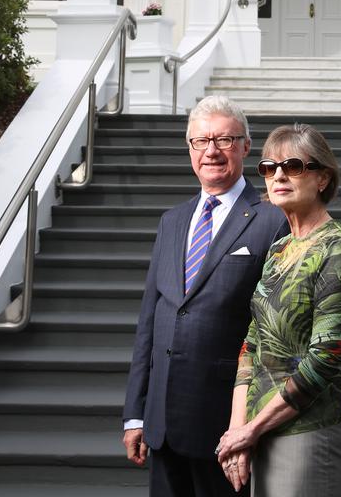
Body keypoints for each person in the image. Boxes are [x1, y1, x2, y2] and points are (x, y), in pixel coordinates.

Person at [122, 95, 288, 497]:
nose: (211, 151)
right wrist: (135, 414)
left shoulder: (273, 219)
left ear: (246, 147)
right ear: (189, 149)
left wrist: (249, 425)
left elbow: (275, 335)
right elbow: (152, 319)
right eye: (200, 141)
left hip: (225, 425)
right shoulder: (172, 221)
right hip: (161, 421)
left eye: (224, 140)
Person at [215, 123, 341, 497]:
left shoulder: (339, 248)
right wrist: (239, 432)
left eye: (294, 166)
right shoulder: (279, 249)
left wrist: (251, 429)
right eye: (268, 167)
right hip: (261, 431)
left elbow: (326, 357)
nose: (278, 175)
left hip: (309, 432)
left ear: (322, 178)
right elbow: (251, 344)